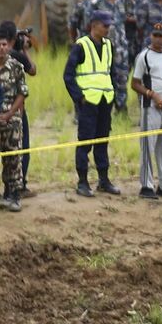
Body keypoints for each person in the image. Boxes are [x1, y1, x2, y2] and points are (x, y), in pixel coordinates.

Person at [63, 12, 121, 198]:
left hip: (105, 100)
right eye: (104, 25)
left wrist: (114, 95)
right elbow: (68, 75)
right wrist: (79, 98)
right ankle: (82, 182)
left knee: (102, 141)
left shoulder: (109, 46)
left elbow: (111, 73)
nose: (108, 28)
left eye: (108, 25)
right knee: (86, 142)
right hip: (88, 102)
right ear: (94, 25)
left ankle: (103, 180)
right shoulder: (81, 46)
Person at [131, 21, 162, 198]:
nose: (158, 39)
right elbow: (135, 83)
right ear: (150, 36)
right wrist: (152, 95)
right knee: (148, 146)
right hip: (151, 107)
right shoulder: (144, 56)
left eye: (161, 36)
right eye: (155, 35)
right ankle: (146, 185)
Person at [0, 31, 29, 209]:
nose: (2, 48)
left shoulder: (16, 66)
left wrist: (9, 114)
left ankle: (12, 196)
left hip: (12, 122)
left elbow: (22, 93)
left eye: (5, 45)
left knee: (13, 160)